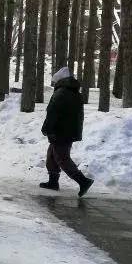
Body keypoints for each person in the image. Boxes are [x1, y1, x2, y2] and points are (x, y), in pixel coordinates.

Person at [40, 66, 94, 196]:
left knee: (62, 158)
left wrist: (46, 128)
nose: (54, 84)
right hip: (68, 130)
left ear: (60, 81)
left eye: (55, 82)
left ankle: (83, 181)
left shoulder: (61, 93)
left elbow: (53, 113)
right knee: (52, 156)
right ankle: (53, 182)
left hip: (60, 131)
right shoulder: (73, 92)